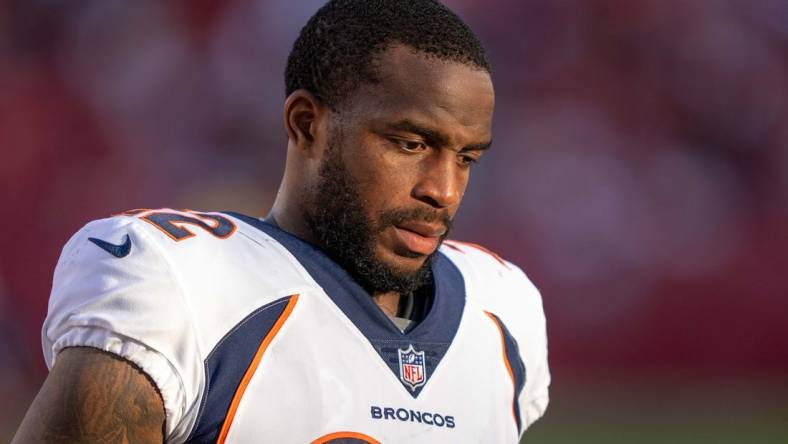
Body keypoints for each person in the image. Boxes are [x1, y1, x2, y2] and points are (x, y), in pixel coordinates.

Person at [13, 0, 549, 442]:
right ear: (307, 125)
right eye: (410, 144)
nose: (444, 190)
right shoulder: (183, 285)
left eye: (467, 158)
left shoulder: (502, 311)